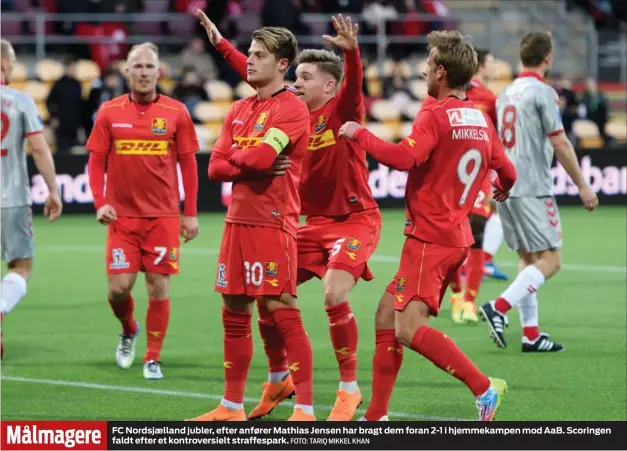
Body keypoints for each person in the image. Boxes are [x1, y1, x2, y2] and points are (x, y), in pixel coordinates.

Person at [198, 12, 381, 421]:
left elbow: (348, 88)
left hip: (353, 218)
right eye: (295, 76)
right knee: (265, 301)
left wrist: (352, 56)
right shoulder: (286, 107)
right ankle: (279, 377)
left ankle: (348, 389)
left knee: (333, 293)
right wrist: (222, 46)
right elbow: (261, 78)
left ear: (328, 85)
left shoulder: (340, 111)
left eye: (306, 77)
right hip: (311, 222)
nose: (297, 82)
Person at [339, 30, 517, 421]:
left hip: (429, 239)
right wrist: (501, 189)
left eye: (428, 61)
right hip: (456, 237)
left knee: (406, 328)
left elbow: (404, 159)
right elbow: (508, 171)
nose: (423, 69)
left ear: (440, 70)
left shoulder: (434, 114)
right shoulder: (480, 119)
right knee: (386, 314)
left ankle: (484, 387)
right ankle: (376, 415)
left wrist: (359, 134)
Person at [187, 26, 314, 422]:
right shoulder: (239, 109)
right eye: (249, 52)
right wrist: (247, 159)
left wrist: (238, 159)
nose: (250, 59)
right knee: (233, 308)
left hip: (272, 222)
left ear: (281, 64)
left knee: (281, 307)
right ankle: (231, 406)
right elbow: (214, 168)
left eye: (258, 54)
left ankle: (306, 409)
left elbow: (253, 160)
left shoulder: (291, 108)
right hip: (236, 222)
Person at [86, 42, 200, 379]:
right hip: (121, 218)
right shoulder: (109, 111)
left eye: (150, 66)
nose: (144, 73)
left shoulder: (177, 112)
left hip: (163, 217)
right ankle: (128, 328)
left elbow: (189, 166)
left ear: (159, 71)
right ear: (127, 71)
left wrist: (189, 213)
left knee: (158, 287)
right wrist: (99, 201)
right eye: (138, 66)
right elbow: (95, 162)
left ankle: (152, 357)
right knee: (118, 289)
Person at [479, 32, 598, 353]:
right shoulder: (542, 92)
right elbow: (559, 141)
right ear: (548, 58)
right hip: (532, 185)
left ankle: (530, 334)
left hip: (506, 184)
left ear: (522, 57)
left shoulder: (505, 93)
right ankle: (499, 307)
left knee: (528, 259)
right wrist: (583, 185)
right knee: (552, 260)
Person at [422, 48, 504, 324]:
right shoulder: (437, 101)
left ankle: (470, 301)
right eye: (490, 62)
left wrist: (494, 178)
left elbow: (494, 143)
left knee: (477, 234)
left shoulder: (489, 99)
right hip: (449, 181)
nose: (492, 68)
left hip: (478, 179)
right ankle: (457, 293)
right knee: (455, 239)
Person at [0, 39, 63, 359]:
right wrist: (53, 190)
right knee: (21, 266)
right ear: (4, 65)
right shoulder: (20, 100)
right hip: (12, 198)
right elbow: (39, 149)